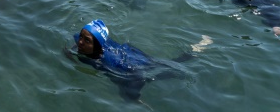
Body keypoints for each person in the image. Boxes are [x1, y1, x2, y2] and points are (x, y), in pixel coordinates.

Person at [71, 19, 211, 101]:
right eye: (82, 37)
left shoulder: (109, 60)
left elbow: (137, 75)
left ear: (98, 46)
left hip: (134, 62)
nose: (81, 42)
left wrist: (132, 97)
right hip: (125, 51)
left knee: (167, 69)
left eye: (86, 40)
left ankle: (195, 50)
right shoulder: (84, 40)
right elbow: (77, 41)